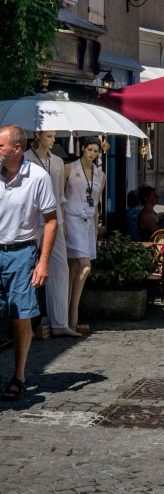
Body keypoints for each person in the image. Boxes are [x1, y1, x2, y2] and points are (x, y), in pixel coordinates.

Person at [0, 125, 58, 400]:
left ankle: (19, 375)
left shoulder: (37, 177)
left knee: (21, 316)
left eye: (0, 146)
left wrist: (43, 261)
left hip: (22, 253)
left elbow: (51, 220)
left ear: (17, 148)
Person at [24, 131, 79, 338]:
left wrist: (62, 222)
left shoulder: (56, 161)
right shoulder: (26, 159)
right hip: (31, 220)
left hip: (54, 220)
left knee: (60, 267)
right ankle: (26, 322)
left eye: (54, 136)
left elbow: (60, 196)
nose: (53, 140)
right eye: (49, 136)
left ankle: (60, 321)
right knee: (29, 267)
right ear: (38, 135)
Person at [64, 136, 105, 336]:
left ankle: (67, 319)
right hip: (71, 220)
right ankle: (73, 314)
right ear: (83, 149)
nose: (92, 154)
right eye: (89, 150)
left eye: (95, 151)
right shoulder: (69, 169)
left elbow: (96, 204)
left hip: (88, 223)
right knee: (85, 266)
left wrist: (96, 230)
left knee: (73, 268)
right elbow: (60, 197)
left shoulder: (100, 175)